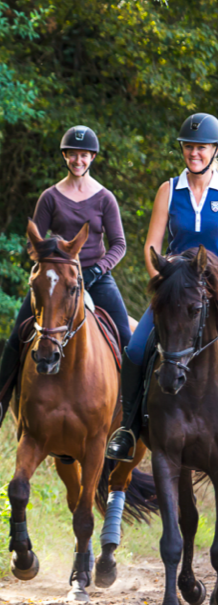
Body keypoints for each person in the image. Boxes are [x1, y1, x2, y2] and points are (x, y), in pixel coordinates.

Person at [0, 125, 131, 430]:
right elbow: (34, 243)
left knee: (127, 339)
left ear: (92, 157)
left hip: (96, 278)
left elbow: (120, 244)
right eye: (73, 154)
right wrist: (48, 262)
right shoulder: (50, 197)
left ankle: (132, 413)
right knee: (17, 335)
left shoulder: (104, 199)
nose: (78, 160)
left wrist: (99, 269)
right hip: (58, 282)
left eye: (84, 155)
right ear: (65, 156)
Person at [107, 112, 218, 461]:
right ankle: (127, 429)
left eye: (201, 147)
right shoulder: (168, 190)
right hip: (177, 294)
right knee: (136, 350)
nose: (193, 153)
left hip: (216, 292)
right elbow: (151, 246)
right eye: (188, 147)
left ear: (215, 150)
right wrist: (162, 282)